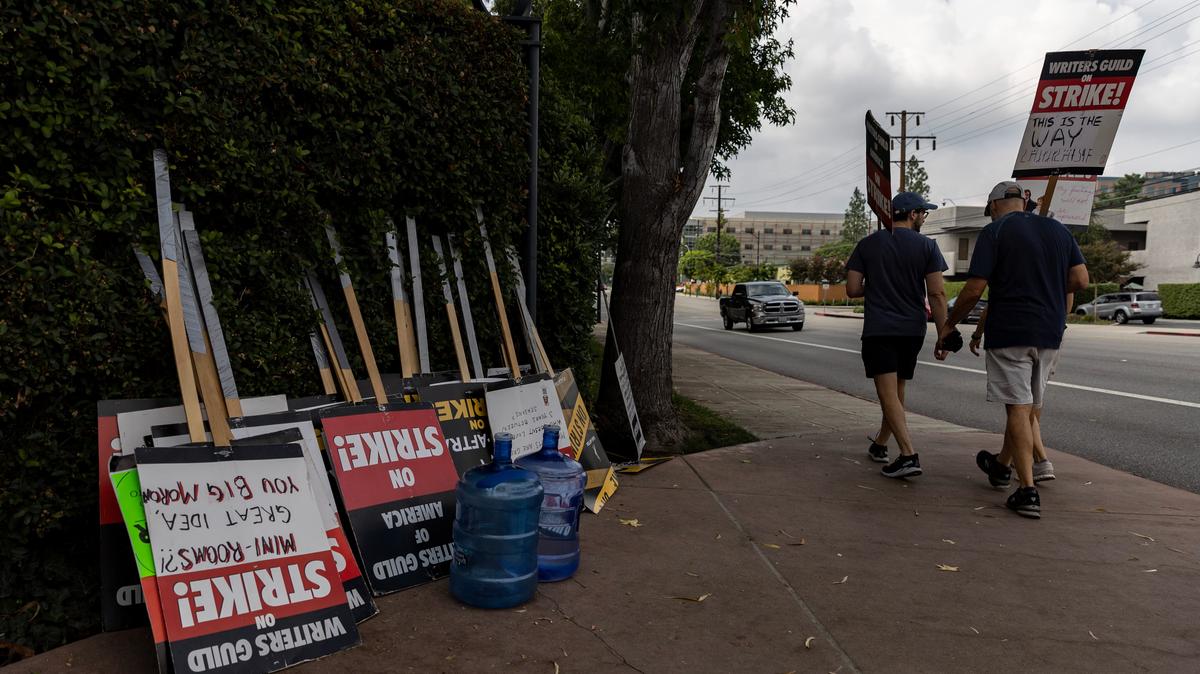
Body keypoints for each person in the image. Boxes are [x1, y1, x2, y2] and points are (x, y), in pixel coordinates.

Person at [938, 181, 1088, 518]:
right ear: (1024, 202)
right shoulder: (1058, 230)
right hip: (1050, 333)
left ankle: (1027, 491)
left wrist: (949, 324)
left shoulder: (995, 232)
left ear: (993, 206)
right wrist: (1047, 285)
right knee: (1030, 407)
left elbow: (974, 289)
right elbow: (1081, 280)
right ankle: (1002, 466)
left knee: (1018, 409)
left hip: (1011, 331)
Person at [846, 192, 948, 479]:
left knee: (887, 393)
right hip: (913, 329)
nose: (924, 218)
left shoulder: (867, 244)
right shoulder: (928, 246)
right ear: (912, 214)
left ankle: (908, 455)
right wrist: (943, 334)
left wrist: (876, 284)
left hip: (880, 328)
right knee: (897, 390)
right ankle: (881, 443)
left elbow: (852, 289)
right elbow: (937, 294)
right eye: (923, 213)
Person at [968, 306, 1055, 483]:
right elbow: (1071, 295)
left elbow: (987, 299)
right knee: (1030, 402)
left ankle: (1035, 469)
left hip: (1016, 331)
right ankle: (1003, 463)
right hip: (1051, 331)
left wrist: (976, 334)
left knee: (1020, 405)